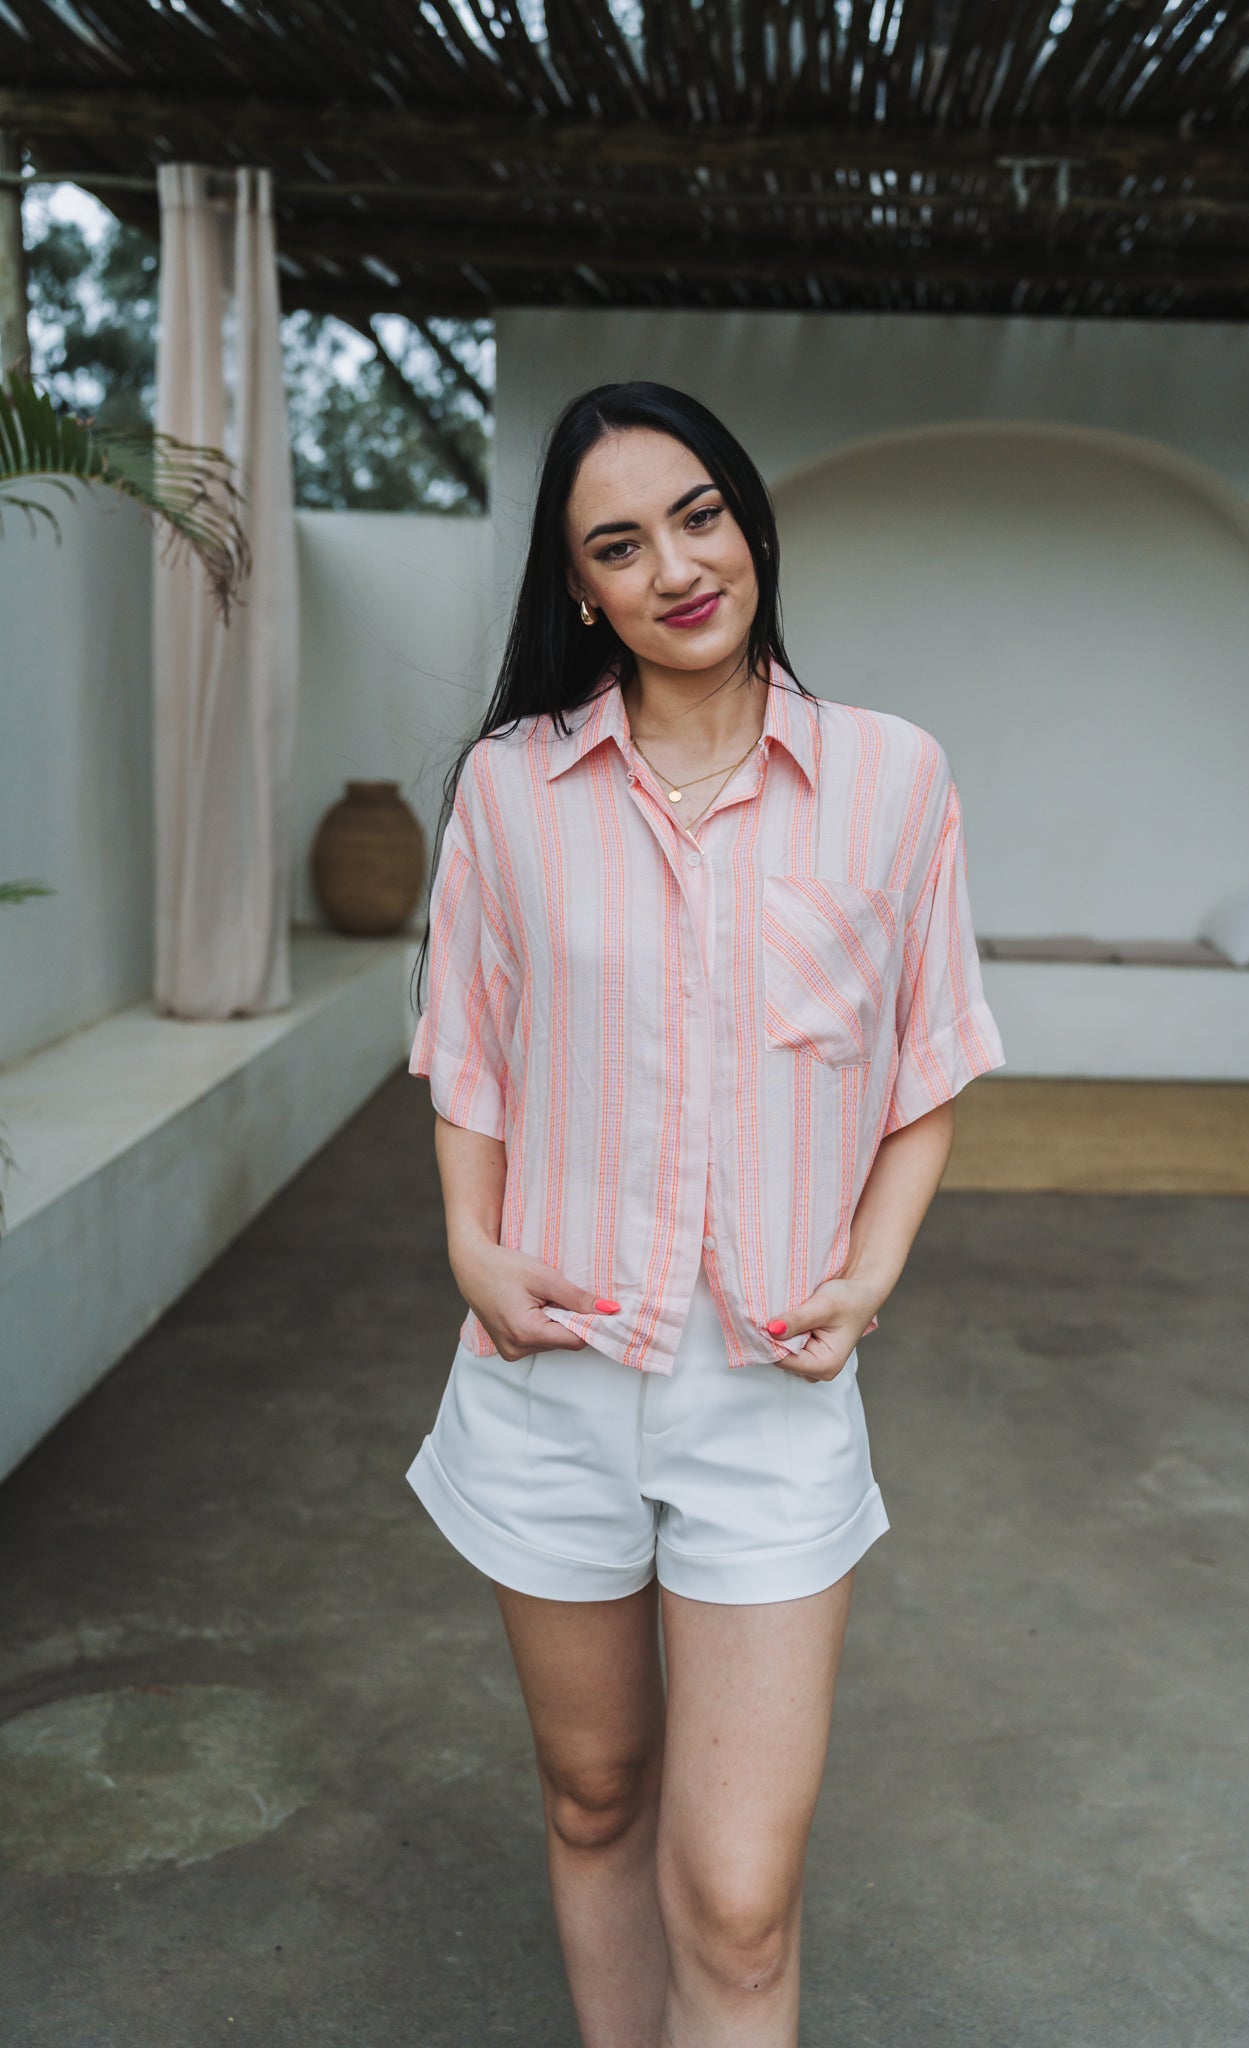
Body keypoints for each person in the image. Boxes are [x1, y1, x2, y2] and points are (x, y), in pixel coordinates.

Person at [404, 380, 1007, 2048]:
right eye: (618, 544)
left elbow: (928, 1058)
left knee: (738, 1892)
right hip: (548, 1378)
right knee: (594, 1798)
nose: (673, 565)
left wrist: (868, 1275)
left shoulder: (889, 778)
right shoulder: (513, 789)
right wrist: (471, 1239)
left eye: (696, 516)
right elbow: (470, 1048)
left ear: (747, 523)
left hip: (773, 1394)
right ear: (577, 588)